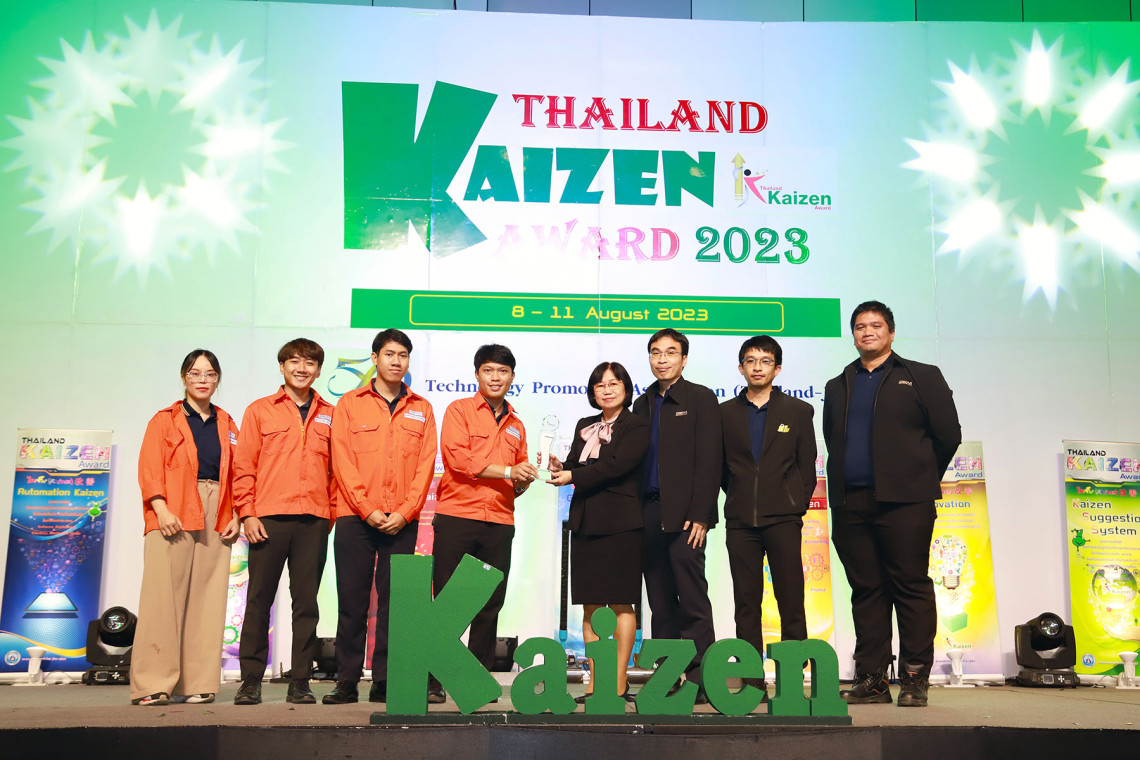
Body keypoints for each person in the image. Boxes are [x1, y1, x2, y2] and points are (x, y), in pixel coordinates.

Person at [823, 301, 961, 707]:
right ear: (853, 335)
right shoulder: (838, 384)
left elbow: (948, 435)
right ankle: (872, 679)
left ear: (891, 332)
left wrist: (916, 476)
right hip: (851, 502)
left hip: (906, 502)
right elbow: (834, 440)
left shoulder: (921, 376)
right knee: (866, 590)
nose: (868, 332)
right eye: (860, 326)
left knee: (910, 586)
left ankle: (915, 678)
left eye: (876, 325)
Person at [324, 329, 437, 705]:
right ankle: (346, 681)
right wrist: (366, 508)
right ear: (374, 359)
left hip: (402, 521)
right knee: (352, 602)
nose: (396, 361)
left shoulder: (422, 408)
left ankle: (386, 680)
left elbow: (425, 466)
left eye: (403, 355)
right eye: (389, 354)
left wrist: (405, 512)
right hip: (355, 517)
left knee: (396, 605)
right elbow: (342, 461)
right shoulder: (349, 404)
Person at [130, 350, 240, 706]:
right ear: (183, 378)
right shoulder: (164, 420)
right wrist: (160, 508)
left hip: (216, 510)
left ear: (217, 379)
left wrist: (236, 513)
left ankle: (197, 682)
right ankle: (153, 684)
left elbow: (237, 474)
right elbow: (149, 467)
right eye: (195, 373)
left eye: (209, 374)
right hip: (173, 509)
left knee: (208, 599)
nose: (202, 379)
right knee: (162, 598)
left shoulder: (227, 423)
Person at [232, 339, 335, 706]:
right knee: (259, 601)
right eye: (294, 361)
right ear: (282, 367)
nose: (301, 369)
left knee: (306, 604)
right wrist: (247, 513)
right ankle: (250, 682)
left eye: (309, 363)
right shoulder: (260, 411)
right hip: (268, 519)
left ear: (319, 371)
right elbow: (243, 466)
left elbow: (337, 472)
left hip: (313, 520)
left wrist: (329, 514)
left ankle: (301, 681)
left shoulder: (332, 414)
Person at [430, 344, 537, 701]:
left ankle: (475, 681)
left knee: (490, 604)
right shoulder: (459, 410)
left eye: (502, 371)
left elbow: (517, 477)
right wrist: (508, 471)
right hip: (458, 516)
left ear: (512, 377)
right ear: (477, 374)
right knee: (447, 601)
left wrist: (522, 479)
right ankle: (433, 680)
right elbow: (458, 460)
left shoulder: (517, 424)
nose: (495, 377)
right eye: (488, 370)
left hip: (500, 520)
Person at [546, 362, 650, 703]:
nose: (606, 390)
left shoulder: (637, 425)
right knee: (590, 605)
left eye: (613, 383)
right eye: (599, 385)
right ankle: (595, 682)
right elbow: (578, 465)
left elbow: (617, 466)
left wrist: (574, 475)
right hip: (586, 521)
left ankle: (618, 682)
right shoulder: (584, 425)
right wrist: (561, 467)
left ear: (626, 388)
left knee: (621, 602)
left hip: (622, 524)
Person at [720, 335, 817, 699]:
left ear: (777, 369)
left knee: (790, 597)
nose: (757, 367)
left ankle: (792, 677)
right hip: (740, 521)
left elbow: (806, 466)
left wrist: (794, 503)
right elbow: (721, 469)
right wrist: (741, 495)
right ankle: (751, 680)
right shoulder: (724, 413)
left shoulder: (798, 411)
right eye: (750, 360)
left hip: (784, 519)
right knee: (746, 602)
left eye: (765, 361)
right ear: (740, 367)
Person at [632, 328, 721, 699]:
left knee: (692, 598)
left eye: (670, 352)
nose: (662, 359)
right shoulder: (642, 403)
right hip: (648, 513)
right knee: (660, 602)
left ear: (684, 359)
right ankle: (668, 675)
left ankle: (701, 679)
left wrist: (702, 514)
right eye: (656, 352)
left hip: (686, 518)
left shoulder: (700, 397)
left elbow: (711, 459)